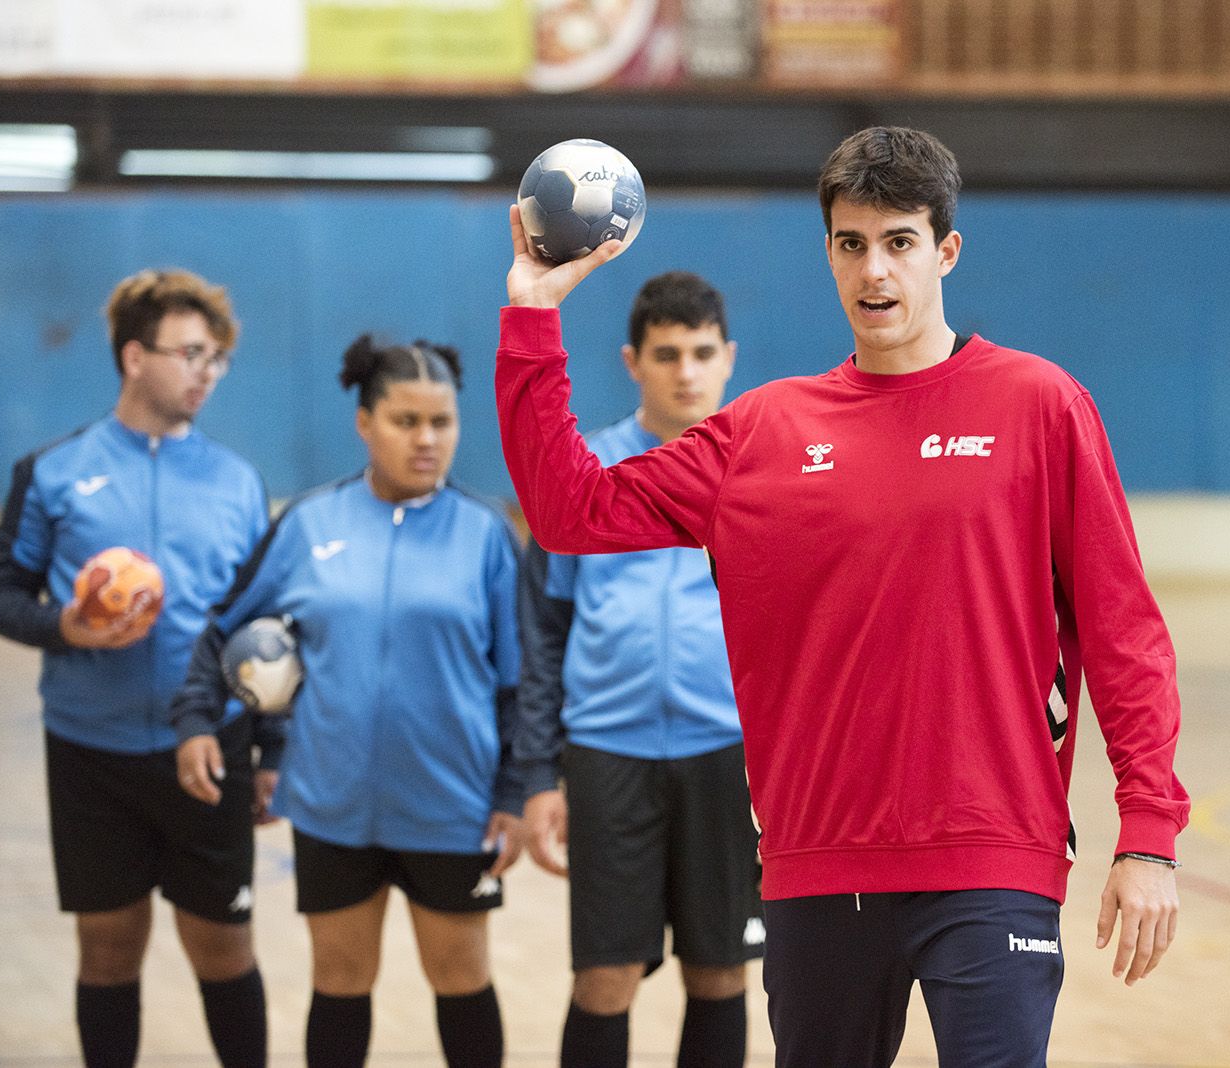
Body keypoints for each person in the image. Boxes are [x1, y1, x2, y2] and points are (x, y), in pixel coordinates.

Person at [494, 126, 1191, 1067]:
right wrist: (533, 312)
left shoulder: (1040, 406)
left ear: (944, 250)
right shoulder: (763, 431)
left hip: (992, 855)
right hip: (816, 867)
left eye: (900, 241)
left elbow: (1124, 635)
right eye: (852, 243)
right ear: (828, 252)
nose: (876, 270)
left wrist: (1147, 833)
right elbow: (570, 511)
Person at [171, 334, 526, 1068]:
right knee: (339, 982)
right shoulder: (308, 524)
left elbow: (522, 681)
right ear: (364, 423)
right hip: (332, 804)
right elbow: (221, 629)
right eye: (406, 421)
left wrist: (517, 791)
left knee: (461, 979)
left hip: (452, 805)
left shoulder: (486, 533)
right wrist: (198, 720)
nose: (427, 440)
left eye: (442, 422)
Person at [0, 268, 273, 1068]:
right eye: (190, 354)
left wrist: (272, 748)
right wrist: (67, 626)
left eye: (216, 359)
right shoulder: (53, 472)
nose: (206, 372)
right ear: (135, 356)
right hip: (90, 751)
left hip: (208, 750)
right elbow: (2, 596)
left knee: (224, 949)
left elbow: (263, 634)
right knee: (108, 950)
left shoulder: (239, 484)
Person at [515, 271, 762, 1068]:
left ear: (728, 357)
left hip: (728, 757)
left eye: (699, 353)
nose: (685, 371)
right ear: (633, 361)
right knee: (605, 976)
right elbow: (542, 636)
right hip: (606, 755)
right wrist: (538, 775)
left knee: (722, 972)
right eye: (665, 354)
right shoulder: (587, 480)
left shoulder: (766, 478)